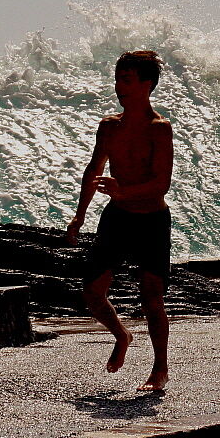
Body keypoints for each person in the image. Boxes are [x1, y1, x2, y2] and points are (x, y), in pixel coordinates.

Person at [65, 50, 174, 392]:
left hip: (152, 219)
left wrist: (123, 192)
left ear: (147, 84)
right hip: (118, 218)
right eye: (117, 79)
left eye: (126, 80)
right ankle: (122, 334)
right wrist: (79, 215)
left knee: (152, 297)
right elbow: (93, 170)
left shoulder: (160, 129)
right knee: (92, 293)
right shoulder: (109, 127)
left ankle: (159, 368)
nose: (118, 86)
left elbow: (161, 183)